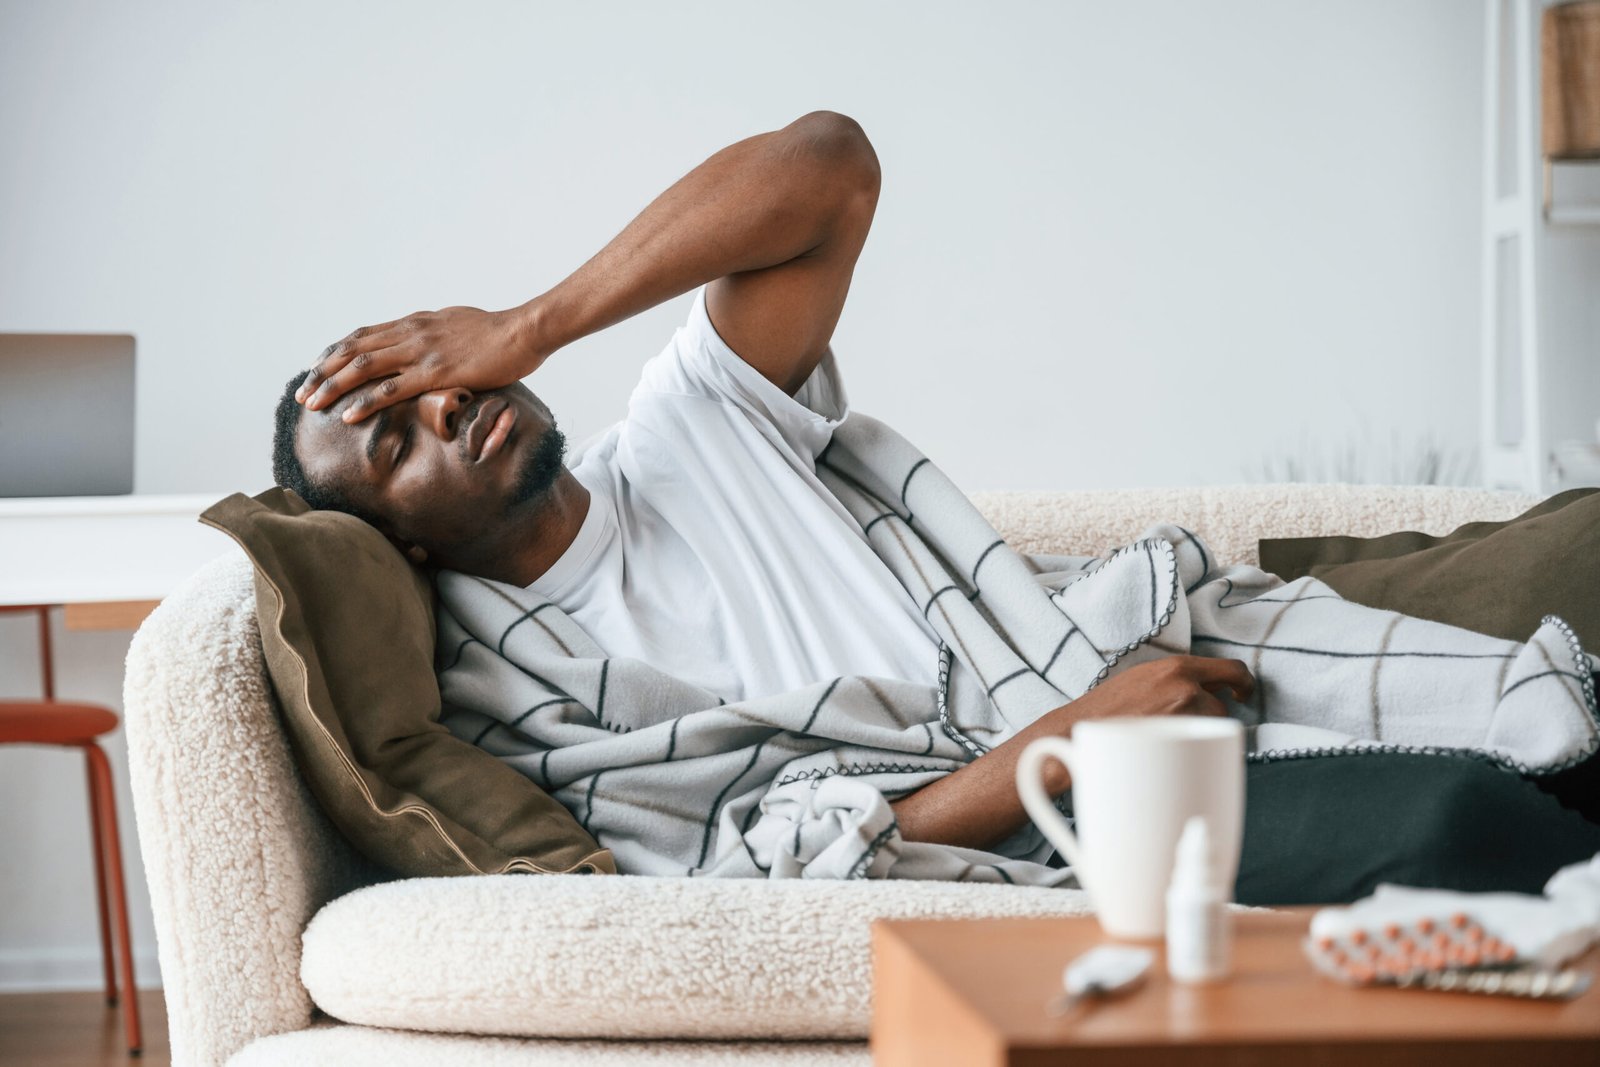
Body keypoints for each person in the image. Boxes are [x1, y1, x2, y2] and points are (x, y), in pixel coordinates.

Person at [272, 110, 1257, 854]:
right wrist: (1070, 739)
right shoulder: (517, 702)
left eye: (429, 375)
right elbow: (759, 864)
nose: (445, 405)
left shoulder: (689, 426)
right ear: (398, 543)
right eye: (397, 444)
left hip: (1172, 646)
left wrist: (527, 325)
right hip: (1102, 786)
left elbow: (830, 164)